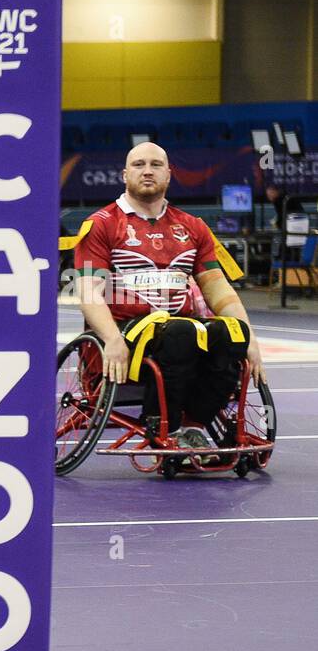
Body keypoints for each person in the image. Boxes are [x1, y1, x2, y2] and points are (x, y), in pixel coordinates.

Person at [74, 141, 266, 453]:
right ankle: (161, 422)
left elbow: (219, 290)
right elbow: (87, 291)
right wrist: (110, 339)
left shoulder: (194, 227)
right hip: (127, 331)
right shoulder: (101, 224)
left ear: (169, 174)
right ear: (124, 175)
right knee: (180, 333)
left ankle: (193, 425)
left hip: (181, 330)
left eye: (155, 165)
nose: (147, 171)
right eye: (138, 165)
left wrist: (250, 341)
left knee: (232, 334)